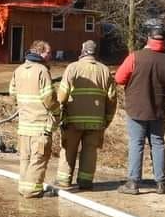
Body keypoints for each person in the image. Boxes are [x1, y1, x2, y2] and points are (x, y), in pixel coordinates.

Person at [114, 29, 165, 195]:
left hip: (137, 109)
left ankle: (134, 182)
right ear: (164, 42)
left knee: (137, 143)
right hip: (159, 109)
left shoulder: (135, 57)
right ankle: (161, 183)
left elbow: (119, 78)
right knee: (158, 142)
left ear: (149, 40)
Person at [55, 40, 117, 191]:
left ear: (82, 51)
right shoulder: (104, 70)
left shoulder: (73, 68)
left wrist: (58, 111)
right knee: (90, 151)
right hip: (96, 121)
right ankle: (85, 181)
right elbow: (112, 99)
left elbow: (62, 95)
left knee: (68, 149)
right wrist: (107, 119)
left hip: (72, 120)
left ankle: (64, 181)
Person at [9, 40, 59, 199]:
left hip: (24, 125)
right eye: (48, 53)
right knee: (38, 158)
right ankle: (32, 191)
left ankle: (24, 187)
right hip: (40, 125)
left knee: (25, 158)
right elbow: (49, 98)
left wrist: (24, 107)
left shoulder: (19, 70)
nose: (50, 56)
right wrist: (58, 112)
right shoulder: (42, 71)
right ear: (40, 52)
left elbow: (12, 93)